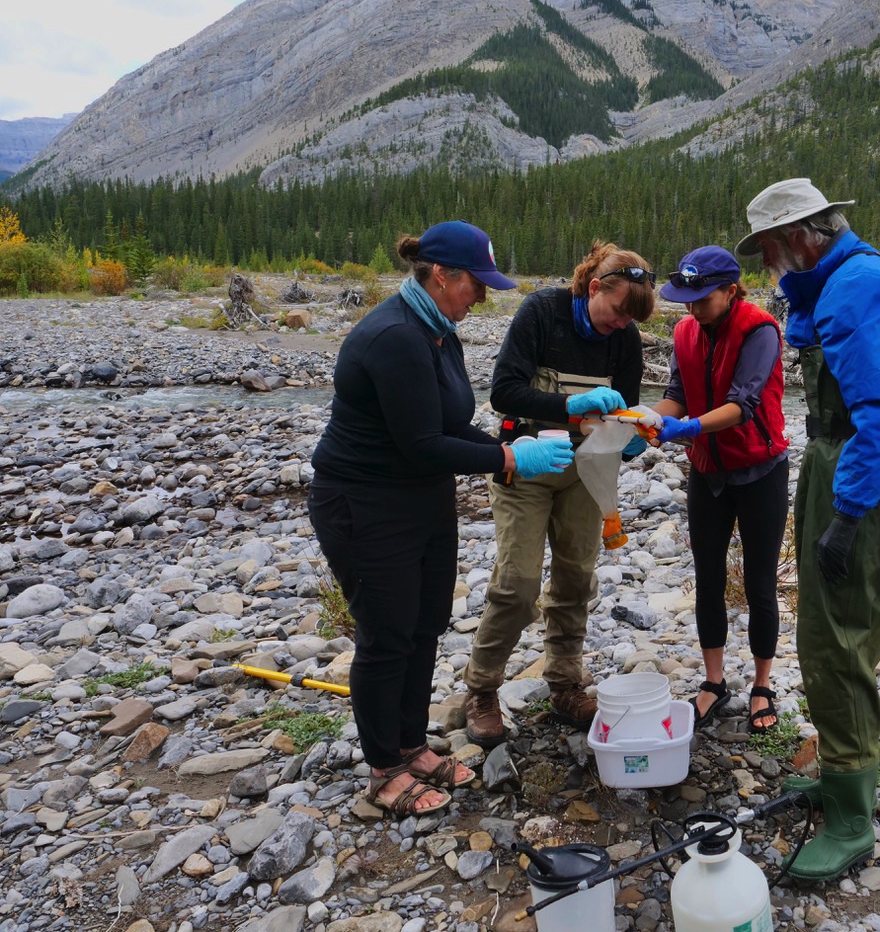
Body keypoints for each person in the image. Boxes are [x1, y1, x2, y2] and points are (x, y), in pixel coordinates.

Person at [308, 221, 574, 817]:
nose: (481, 296)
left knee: (425, 622)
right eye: (475, 284)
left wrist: (513, 443)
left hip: (421, 499)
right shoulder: (394, 336)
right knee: (386, 633)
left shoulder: (438, 333)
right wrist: (507, 458)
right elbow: (421, 442)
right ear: (439, 276)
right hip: (364, 501)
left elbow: (450, 427)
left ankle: (410, 744)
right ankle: (383, 768)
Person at [734, 179, 880, 880]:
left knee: (840, 635)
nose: (766, 265)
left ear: (799, 238)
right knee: (826, 627)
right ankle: (838, 773)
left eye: (768, 250)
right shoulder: (834, 282)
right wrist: (797, 296)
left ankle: (853, 818)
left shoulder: (855, 288)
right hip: (840, 462)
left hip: (860, 472)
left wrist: (849, 516)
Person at [462, 241, 657, 748]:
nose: (620, 325)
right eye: (616, 312)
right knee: (518, 584)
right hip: (524, 463)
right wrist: (574, 403)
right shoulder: (542, 312)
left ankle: (567, 683)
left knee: (576, 577)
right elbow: (503, 390)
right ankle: (481, 690)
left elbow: (623, 413)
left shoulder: (626, 338)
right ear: (595, 288)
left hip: (585, 472)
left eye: (629, 320)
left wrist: (632, 437)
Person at [649, 245, 790, 736]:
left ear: (731, 292)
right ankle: (714, 681)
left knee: (759, 583)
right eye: (687, 299)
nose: (692, 308)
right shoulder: (685, 331)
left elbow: (743, 405)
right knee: (708, 578)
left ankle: (762, 684)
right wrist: (649, 419)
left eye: (702, 299)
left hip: (760, 472)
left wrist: (686, 429)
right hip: (707, 473)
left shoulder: (760, 331)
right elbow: (676, 394)